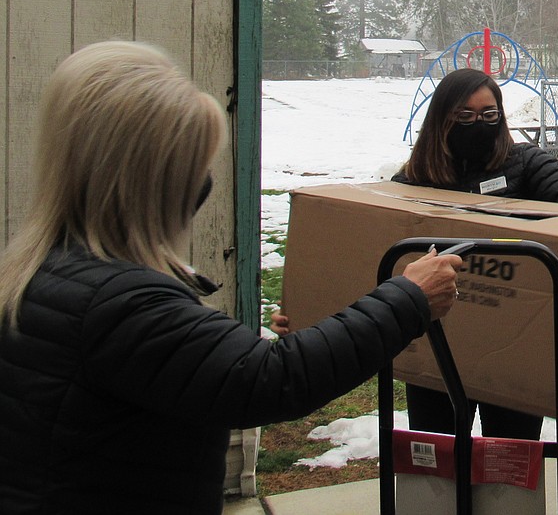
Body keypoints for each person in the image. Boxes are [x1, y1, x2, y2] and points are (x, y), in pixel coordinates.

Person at [0, 41, 462, 515]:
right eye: (193, 169)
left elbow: (203, 370)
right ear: (155, 183)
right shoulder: (121, 302)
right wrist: (409, 297)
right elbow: (269, 380)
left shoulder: (50, 270)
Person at [270, 67, 558, 440]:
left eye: (489, 115)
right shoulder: (412, 183)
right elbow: (364, 260)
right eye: (466, 116)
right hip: (435, 345)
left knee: (510, 460)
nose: (479, 124)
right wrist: (309, 315)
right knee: (437, 458)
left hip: (515, 346)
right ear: (443, 120)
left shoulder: (527, 164)